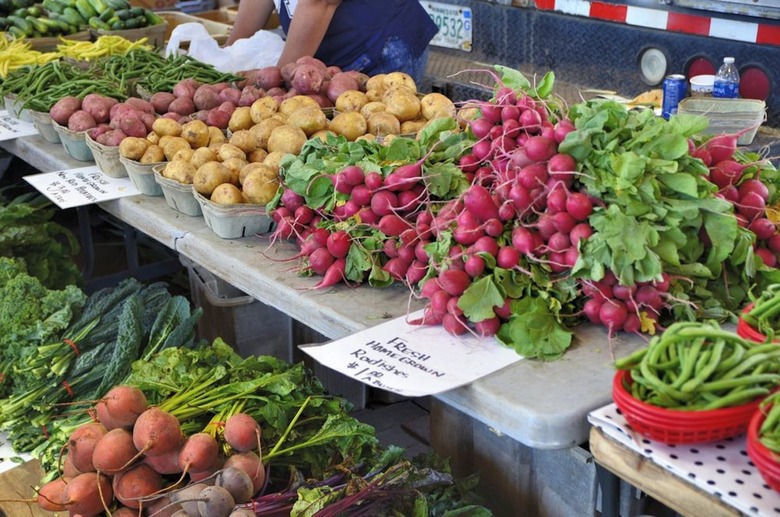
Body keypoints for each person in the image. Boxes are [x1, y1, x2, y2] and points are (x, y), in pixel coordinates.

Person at [226, 0, 439, 84]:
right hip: (322, 57)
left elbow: (319, 2)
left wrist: (280, 76)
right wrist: (229, 56)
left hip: (376, 50)